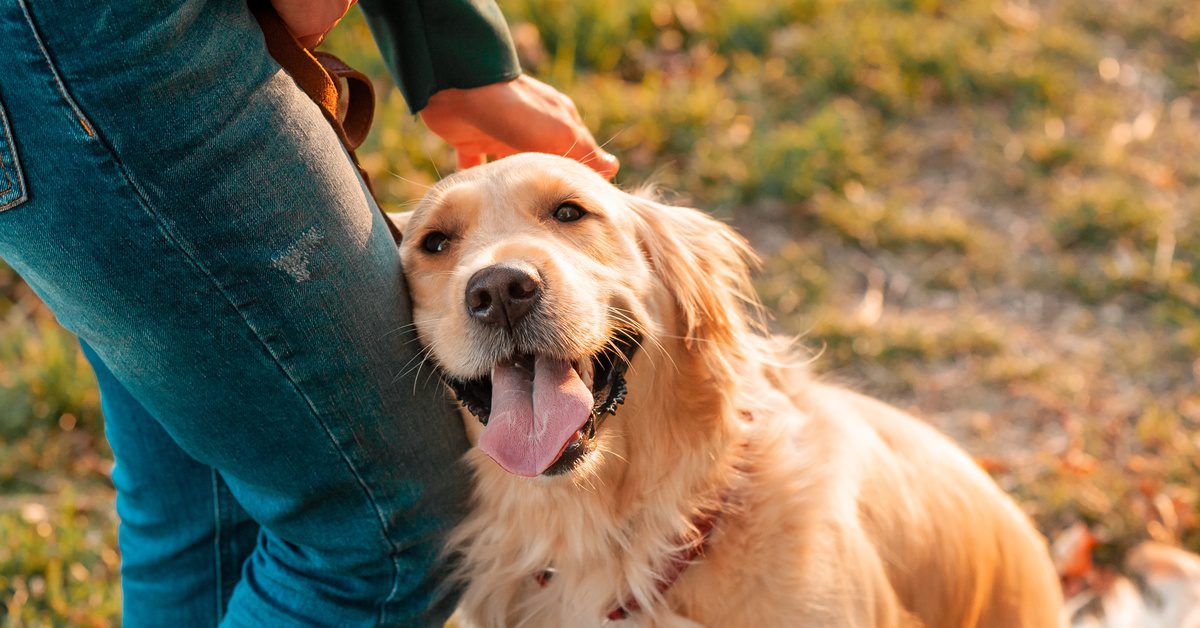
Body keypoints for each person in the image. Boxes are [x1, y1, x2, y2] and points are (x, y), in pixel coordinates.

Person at [0, 0, 617, 625]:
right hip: (99, 49)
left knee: (205, 506)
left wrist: (454, 55)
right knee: (381, 532)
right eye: (436, 243)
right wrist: (453, 45)